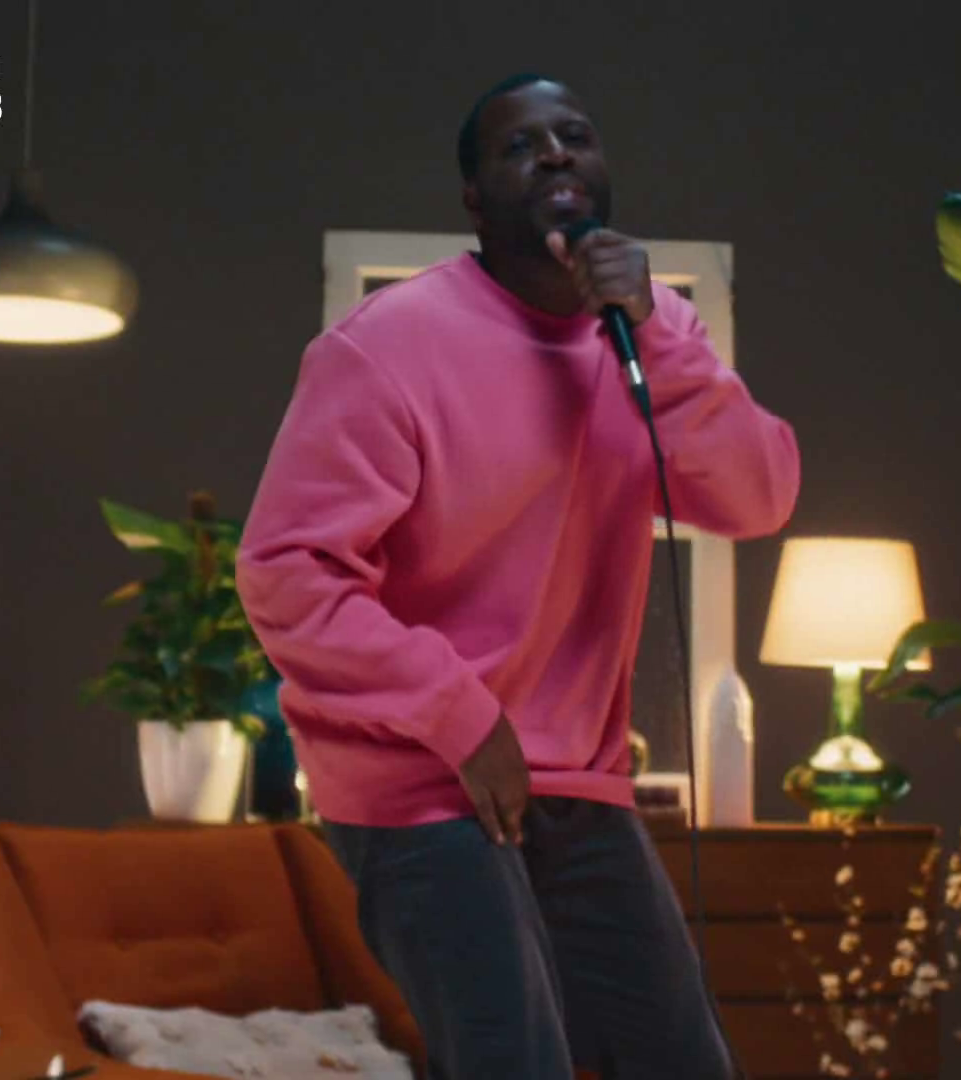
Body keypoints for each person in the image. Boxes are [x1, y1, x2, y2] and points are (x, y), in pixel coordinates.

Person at [235, 73, 801, 1079]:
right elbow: (288, 574)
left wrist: (658, 335)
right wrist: (460, 715)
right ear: (473, 197)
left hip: (577, 778)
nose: (554, 153)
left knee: (682, 1061)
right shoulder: (386, 346)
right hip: (419, 772)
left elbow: (757, 497)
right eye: (519, 146)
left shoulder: (653, 330)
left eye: (574, 135)